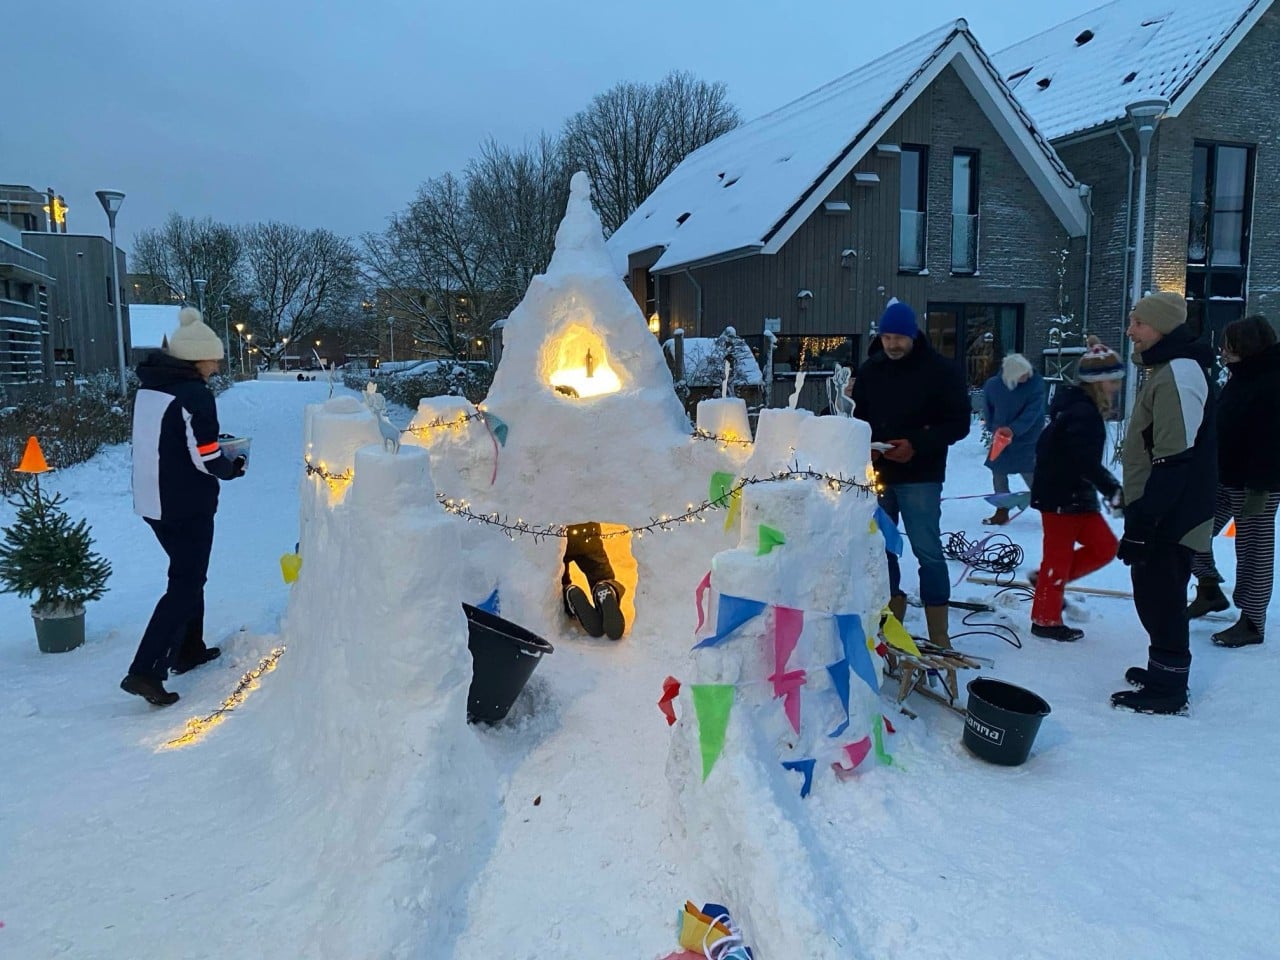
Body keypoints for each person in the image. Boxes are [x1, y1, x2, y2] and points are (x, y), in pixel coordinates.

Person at [122, 307, 247, 706]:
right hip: (185, 503)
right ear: (196, 358)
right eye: (214, 359)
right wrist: (233, 466)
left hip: (151, 499)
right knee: (185, 583)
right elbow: (206, 456)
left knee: (189, 574)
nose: (217, 366)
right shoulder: (195, 394)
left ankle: (189, 649)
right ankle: (145, 671)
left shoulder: (151, 388)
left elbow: (170, 438)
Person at [1112, 292, 1216, 715]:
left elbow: (1175, 459)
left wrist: (1146, 521)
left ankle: (1169, 688)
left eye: (1138, 323)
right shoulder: (1167, 368)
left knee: (1162, 595)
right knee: (1153, 591)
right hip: (1162, 506)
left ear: (1161, 327)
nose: (1130, 331)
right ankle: (1162, 672)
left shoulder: (1179, 373)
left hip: (1173, 511)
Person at [853, 300, 970, 648]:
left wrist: (917, 443)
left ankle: (939, 634)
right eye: (887, 337)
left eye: (899, 338)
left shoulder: (940, 371)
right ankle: (891, 626)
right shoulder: (871, 370)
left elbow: (958, 423)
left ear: (913, 336)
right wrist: (866, 444)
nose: (892, 344)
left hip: (921, 476)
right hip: (879, 475)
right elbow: (857, 417)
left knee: (927, 550)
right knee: (881, 549)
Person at [1186, 315, 1280, 647]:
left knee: (1254, 551)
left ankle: (1253, 623)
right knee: (1190, 529)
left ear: (1247, 347)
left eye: (1229, 346)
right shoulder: (1241, 377)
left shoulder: (1271, 383)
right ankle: (1209, 590)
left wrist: (1260, 486)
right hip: (1223, 476)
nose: (1222, 351)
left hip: (1256, 484)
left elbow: (1271, 441)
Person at [1028, 337, 1124, 641]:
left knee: (1104, 547)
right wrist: (1111, 488)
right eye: (1113, 380)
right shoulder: (1082, 412)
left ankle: (1046, 583)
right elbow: (1083, 460)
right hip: (1060, 498)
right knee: (1056, 560)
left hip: (1077, 496)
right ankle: (1045, 620)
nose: (1117, 386)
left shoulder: (1082, 408)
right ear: (1097, 381)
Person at [981, 353, 1045, 525]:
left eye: (1027, 372)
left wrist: (1014, 429)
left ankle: (1050, 510)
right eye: (1022, 374)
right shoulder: (993, 385)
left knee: (1031, 473)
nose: (1027, 376)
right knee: (998, 472)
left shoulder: (1035, 384)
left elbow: (1033, 411)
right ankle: (1002, 510)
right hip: (1001, 437)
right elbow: (988, 408)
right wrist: (994, 428)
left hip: (1027, 437)